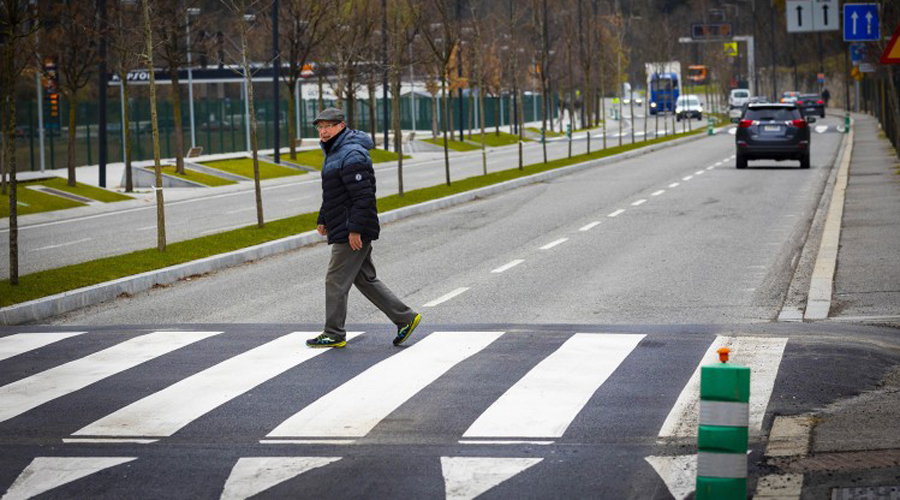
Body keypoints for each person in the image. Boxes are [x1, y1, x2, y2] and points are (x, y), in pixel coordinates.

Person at [306, 107, 421, 349]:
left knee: (335, 280)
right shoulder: (336, 151)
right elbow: (335, 193)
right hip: (345, 223)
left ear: (341, 126)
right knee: (365, 279)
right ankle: (405, 318)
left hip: (352, 228)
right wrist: (323, 217)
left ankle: (334, 333)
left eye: (328, 126)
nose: (323, 131)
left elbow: (363, 196)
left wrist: (355, 229)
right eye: (320, 127)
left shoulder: (352, 154)